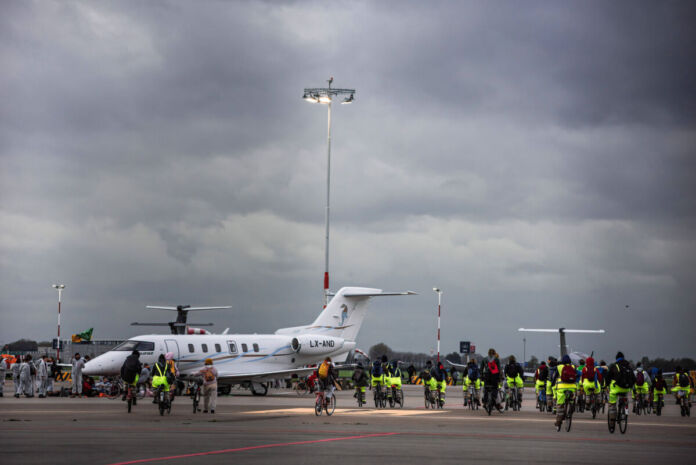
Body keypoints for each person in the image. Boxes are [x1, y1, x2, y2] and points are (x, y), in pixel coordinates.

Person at [605, 351, 635, 425]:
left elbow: (608, 377)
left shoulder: (614, 366)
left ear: (616, 358)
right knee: (624, 397)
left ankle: (612, 421)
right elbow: (634, 378)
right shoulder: (628, 366)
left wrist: (606, 385)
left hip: (617, 388)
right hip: (627, 388)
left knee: (612, 402)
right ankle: (625, 411)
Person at [554, 354, 577, 427]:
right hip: (572, 387)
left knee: (560, 405)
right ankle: (570, 412)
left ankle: (558, 422)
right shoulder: (573, 367)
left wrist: (552, 384)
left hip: (561, 388)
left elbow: (554, 377)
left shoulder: (559, 367)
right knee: (572, 400)